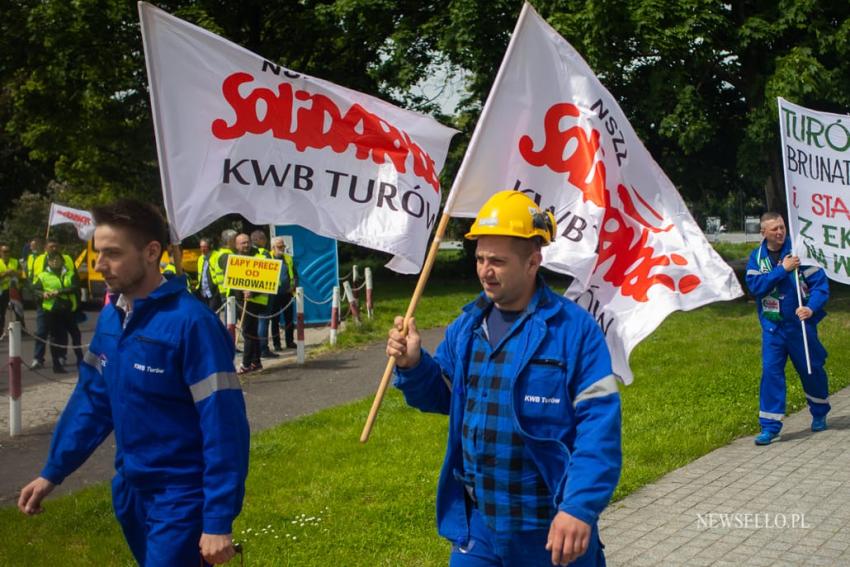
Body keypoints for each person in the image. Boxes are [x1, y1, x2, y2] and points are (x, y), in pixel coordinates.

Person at [386, 190, 622, 566]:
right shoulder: (467, 327)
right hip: (478, 526)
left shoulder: (574, 330)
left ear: (533, 262)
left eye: (497, 260)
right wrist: (414, 365)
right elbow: (444, 397)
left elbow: (599, 428)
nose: (484, 270)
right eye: (480, 258)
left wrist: (579, 508)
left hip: (548, 527)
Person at [18, 199, 249, 566]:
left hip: (181, 497)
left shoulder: (193, 324)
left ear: (151, 252)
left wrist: (218, 518)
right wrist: (53, 471)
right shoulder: (112, 318)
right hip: (130, 491)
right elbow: (92, 403)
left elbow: (224, 425)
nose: (99, 264)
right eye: (98, 252)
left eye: (112, 253)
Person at [745, 212, 830, 446]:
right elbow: (755, 286)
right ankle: (770, 427)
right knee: (771, 373)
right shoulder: (757, 258)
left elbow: (821, 286)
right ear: (763, 233)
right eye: (774, 229)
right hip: (773, 328)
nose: (780, 232)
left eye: (782, 227)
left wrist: (810, 309)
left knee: (811, 369)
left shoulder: (801, 253)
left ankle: (820, 411)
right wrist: (782, 270)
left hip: (800, 326)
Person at [219, 233, 268, 374]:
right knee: (252, 333)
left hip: (253, 301)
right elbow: (232, 278)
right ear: (236, 245)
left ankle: (246, 364)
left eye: (247, 242)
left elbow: (266, 281)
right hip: (240, 301)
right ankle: (256, 362)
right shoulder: (233, 259)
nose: (246, 245)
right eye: (242, 243)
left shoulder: (258, 257)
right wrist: (241, 290)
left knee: (248, 333)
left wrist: (252, 291)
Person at [29, 238, 76, 369]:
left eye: (56, 246)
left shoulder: (67, 259)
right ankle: (38, 358)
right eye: (51, 247)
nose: (54, 249)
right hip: (44, 303)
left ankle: (61, 356)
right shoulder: (38, 260)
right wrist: (40, 294)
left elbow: (74, 280)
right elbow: (32, 283)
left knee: (61, 332)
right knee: (41, 331)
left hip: (63, 303)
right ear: (45, 248)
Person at [33, 252, 83, 373]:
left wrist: (59, 291)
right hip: (52, 311)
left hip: (68, 309)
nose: (55, 262)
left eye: (57, 259)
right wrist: (42, 294)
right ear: (48, 262)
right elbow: (34, 289)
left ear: (62, 261)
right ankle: (57, 365)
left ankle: (81, 361)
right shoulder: (43, 275)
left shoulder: (69, 273)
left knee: (76, 335)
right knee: (55, 338)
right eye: (52, 260)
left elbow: (75, 286)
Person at [0, 243, 23, 336]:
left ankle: (21, 331)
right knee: (1, 313)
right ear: (0, 252)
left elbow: (22, 274)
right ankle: (1, 331)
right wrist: (6, 273)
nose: (7, 253)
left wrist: (14, 272)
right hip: (2, 291)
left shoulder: (15, 261)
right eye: (5, 252)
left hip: (14, 290)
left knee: (18, 311)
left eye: (8, 252)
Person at [196, 237, 222, 311]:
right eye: (201, 247)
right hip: (203, 291)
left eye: (205, 247)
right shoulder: (200, 258)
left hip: (214, 291)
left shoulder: (217, 256)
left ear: (210, 246)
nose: (202, 249)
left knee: (214, 313)